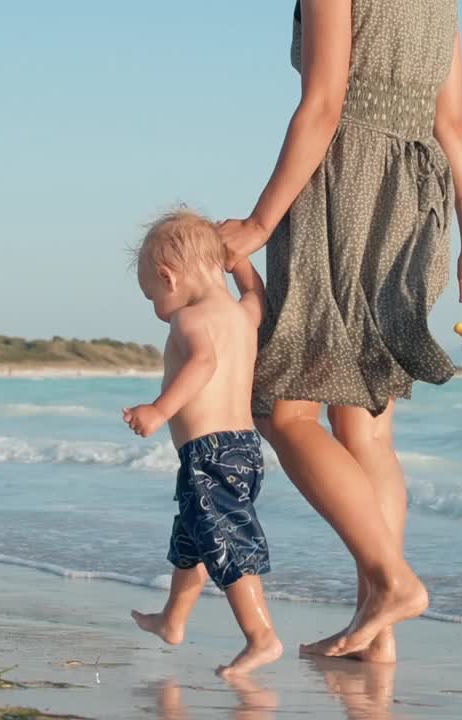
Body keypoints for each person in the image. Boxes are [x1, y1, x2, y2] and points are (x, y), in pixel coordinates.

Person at [218, 0, 462, 661]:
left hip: (344, 183)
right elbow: (452, 125)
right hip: (417, 201)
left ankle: (396, 584)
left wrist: (260, 225)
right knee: (367, 422)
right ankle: (380, 628)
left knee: (288, 412)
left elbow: (324, 104)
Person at [124, 210, 283, 677]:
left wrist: (159, 410)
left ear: (168, 277)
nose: (157, 307)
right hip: (245, 450)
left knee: (227, 543)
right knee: (193, 539)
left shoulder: (189, 319)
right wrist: (241, 264)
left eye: (152, 296)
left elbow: (203, 364)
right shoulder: (241, 313)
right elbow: (259, 296)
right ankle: (173, 620)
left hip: (207, 453)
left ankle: (262, 637)